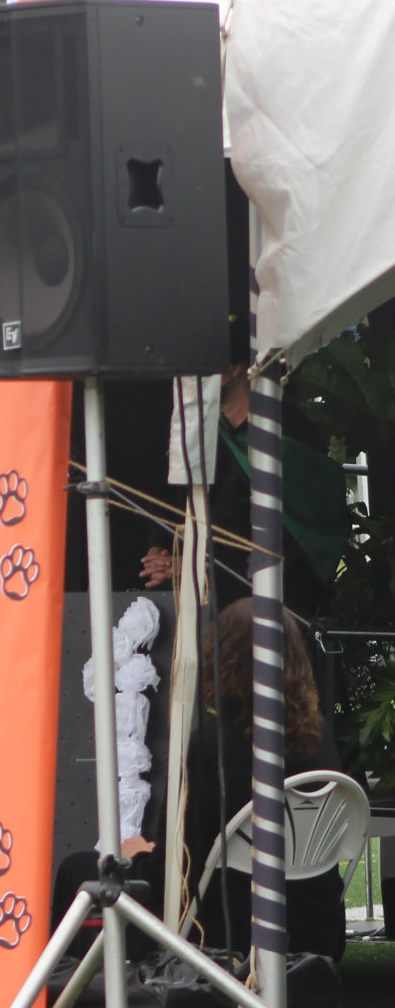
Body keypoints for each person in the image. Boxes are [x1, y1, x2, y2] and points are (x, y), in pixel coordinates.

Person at [185, 597, 346, 960]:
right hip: (317, 927)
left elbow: (188, 856)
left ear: (222, 659)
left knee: (85, 871)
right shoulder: (319, 735)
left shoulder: (212, 743)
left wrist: (138, 857)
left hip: (233, 931)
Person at [140, 363, 349, 622]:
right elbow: (169, 497)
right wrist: (159, 551)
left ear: (237, 368)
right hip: (203, 604)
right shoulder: (199, 430)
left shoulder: (286, 429)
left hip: (273, 602)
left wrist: (199, 563)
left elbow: (292, 535)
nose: (190, 378)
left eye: (203, 366)